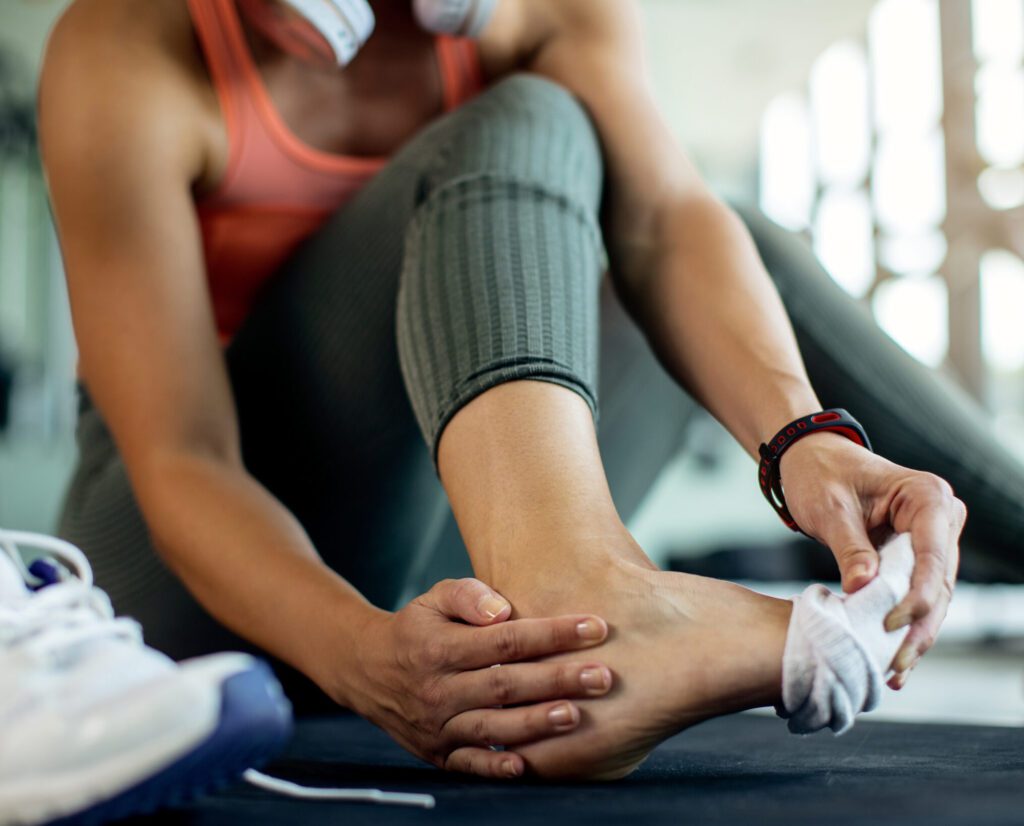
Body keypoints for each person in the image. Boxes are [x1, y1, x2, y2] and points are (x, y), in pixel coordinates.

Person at [41, 0, 1013, 781]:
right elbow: (179, 457)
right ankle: (578, 576)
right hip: (187, 581)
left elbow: (664, 222)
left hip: (433, 543)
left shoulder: (549, 12)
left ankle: (578, 587)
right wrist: (364, 662)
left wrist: (805, 438)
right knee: (528, 116)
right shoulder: (126, 42)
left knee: (723, 235)